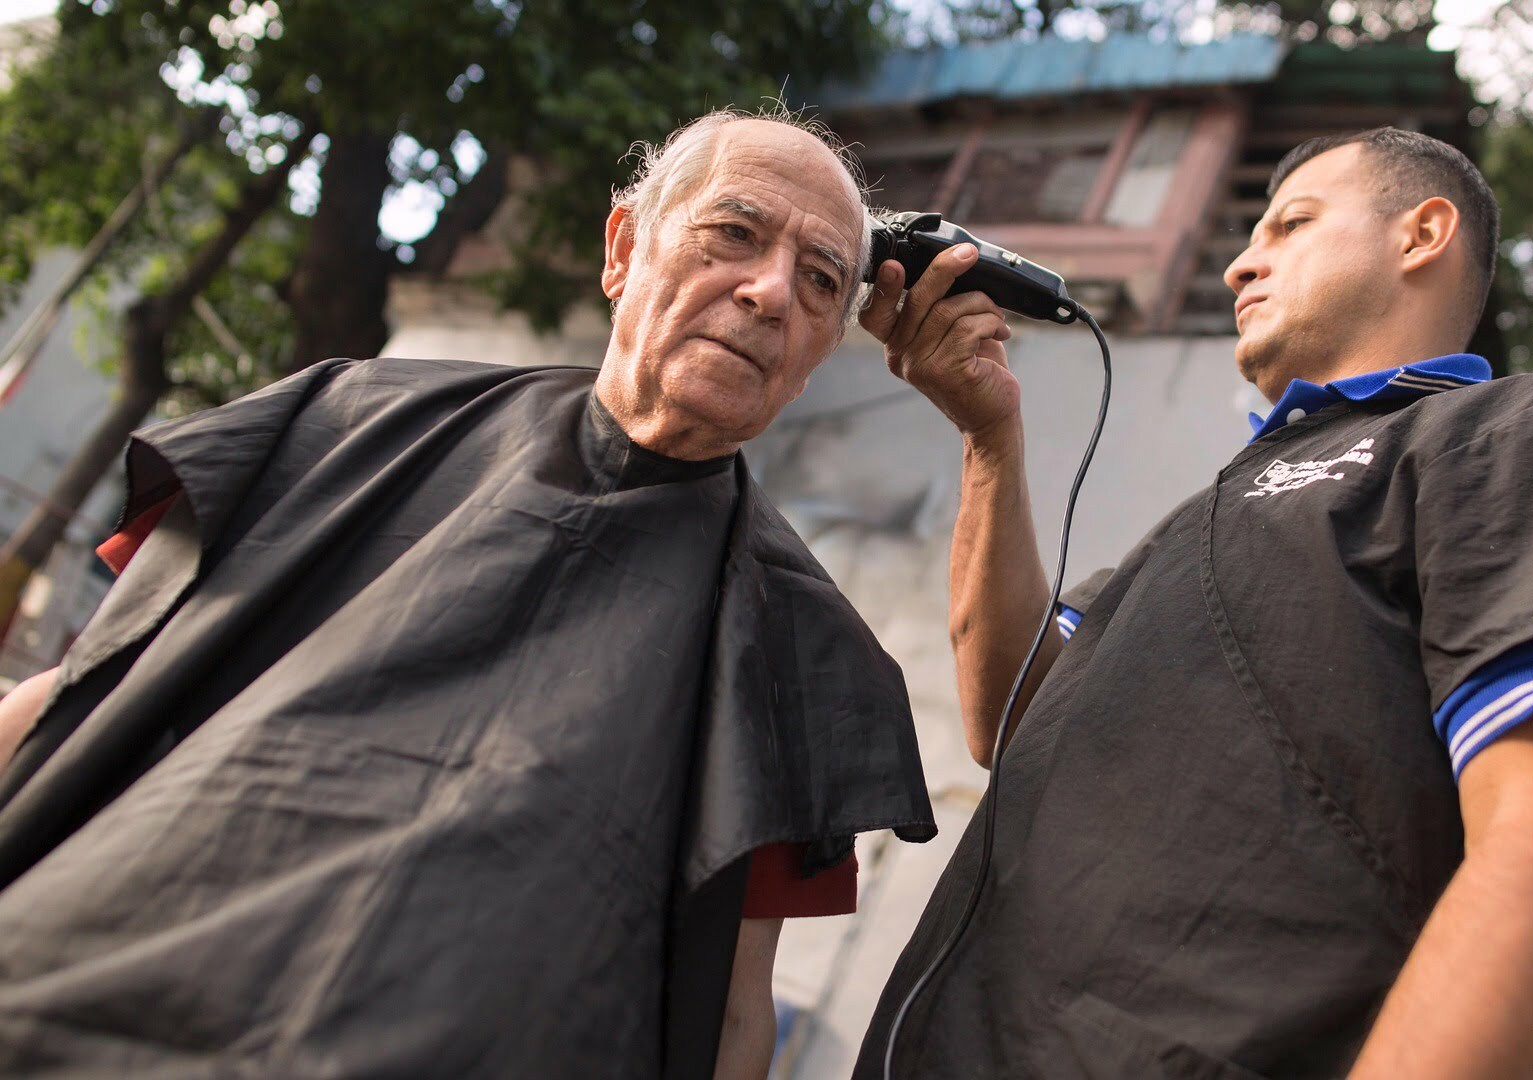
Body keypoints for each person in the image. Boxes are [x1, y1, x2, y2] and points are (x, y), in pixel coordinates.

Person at [0, 108, 934, 1079]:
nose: (770, 290)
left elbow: (734, 1013)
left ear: (826, 344)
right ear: (623, 248)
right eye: (733, 234)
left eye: (821, 280)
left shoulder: (804, 657)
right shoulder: (345, 426)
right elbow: (81, 698)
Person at [853, 127, 1533, 1078]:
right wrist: (989, 438)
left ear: (1423, 234)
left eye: (1291, 224)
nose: (1237, 265)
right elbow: (1009, 713)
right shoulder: (1188, 527)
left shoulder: (1520, 435)